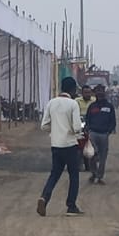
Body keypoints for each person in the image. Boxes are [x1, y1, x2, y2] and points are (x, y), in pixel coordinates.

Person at [37, 76, 85, 217]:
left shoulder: (51, 103)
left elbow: (44, 126)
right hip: (70, 145)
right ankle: (71, 206)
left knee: (55, 174)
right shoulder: (73, 104)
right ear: (72, 90)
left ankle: (44, 197)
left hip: (56, 144)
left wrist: (56, 129)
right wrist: (77, 133)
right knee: (74, 175)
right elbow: (77, 127)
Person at [84, 87, 117, 184]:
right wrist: (88, 130)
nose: (99, 93)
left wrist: (108, 131)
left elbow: (113, 121)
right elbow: (87, 119)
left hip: (104, 134)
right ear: (95, 93)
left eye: (101, 91)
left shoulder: (109, 106)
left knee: (103, 157)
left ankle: (99, 177)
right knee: (92, 154)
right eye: (98, 91)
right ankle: (94, 173)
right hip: (93, 133)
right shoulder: (92, 106)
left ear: (104, 93)